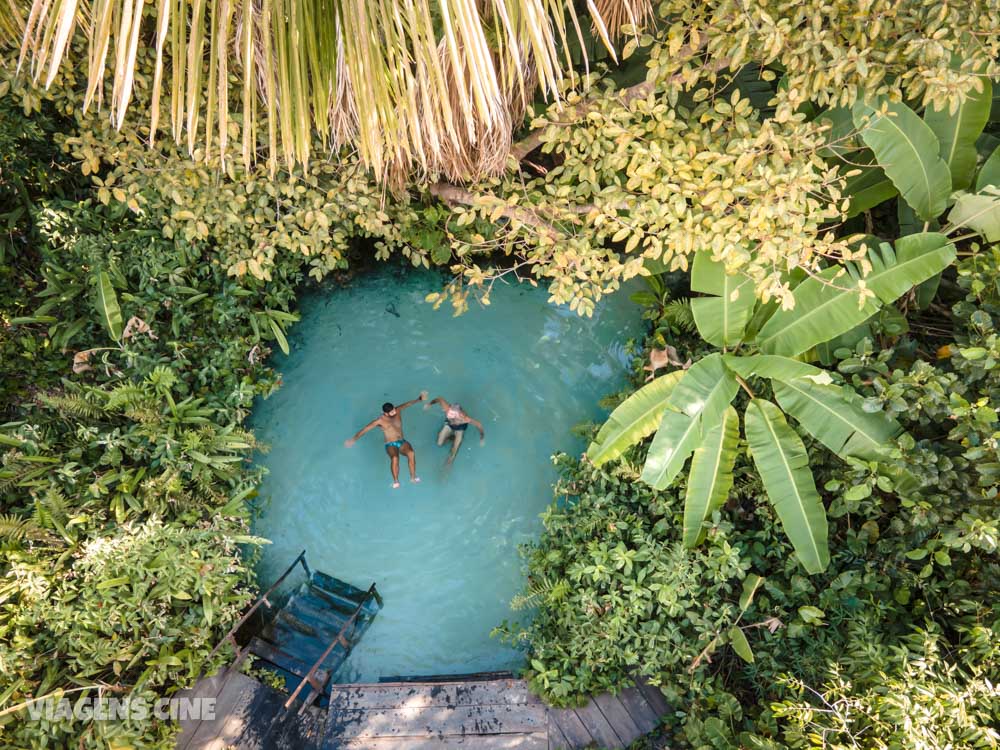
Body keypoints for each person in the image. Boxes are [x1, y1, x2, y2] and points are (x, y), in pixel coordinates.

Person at [345, 392, 427, 488]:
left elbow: (407, 404)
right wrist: (353, 439)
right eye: (391, 412)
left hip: (402, 441)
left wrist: (419, 399)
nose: (394, 413)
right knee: (395, 458)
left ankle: (413, 477)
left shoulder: (397, 410)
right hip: (390, 444)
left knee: (411, 453)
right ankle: (396, 481)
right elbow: (365, 429)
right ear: (385, 413)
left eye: (394, 410)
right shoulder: (380, 421)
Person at [425, 396, 485, 465]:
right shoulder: (447, 409)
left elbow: (479, 425)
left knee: (454, 451)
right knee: (439, 443)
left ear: (459, 417)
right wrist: (429, 404)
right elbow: (439, 399)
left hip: (460, 428)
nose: (452, 421)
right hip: (449, 425)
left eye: (454, 419)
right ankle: (451, 438)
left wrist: (482, 438)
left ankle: (447, 466)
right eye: (450, 418)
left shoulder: (464, 418)